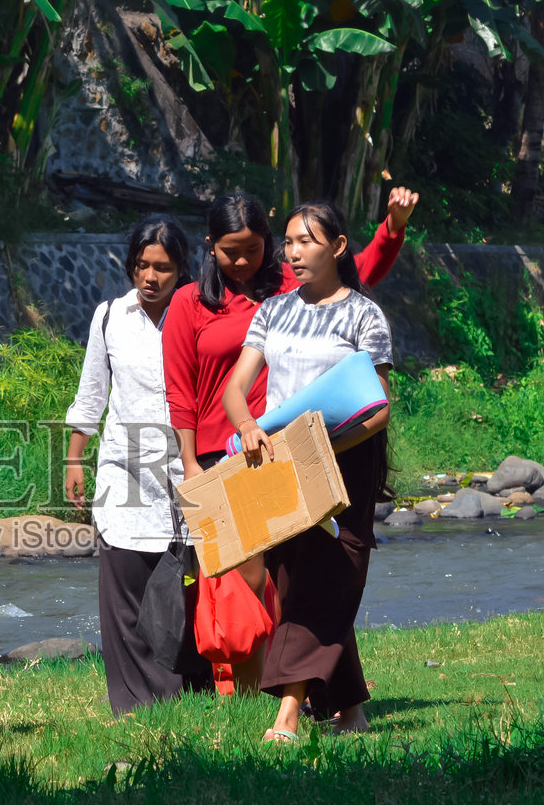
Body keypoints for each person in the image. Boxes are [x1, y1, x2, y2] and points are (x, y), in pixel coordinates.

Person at [160, 187, 414, 689]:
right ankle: (285, 690)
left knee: (310, 576)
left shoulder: (288, 292)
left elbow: (355, 271)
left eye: (254, 248)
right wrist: (193, 458)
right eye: (230, 249)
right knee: (267, 577)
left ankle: (293, 697)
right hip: (232, 451)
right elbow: (180, 388)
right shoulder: (199, 302)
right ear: (209, 246)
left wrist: (392, 228)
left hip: (300, 450)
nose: (242, 259)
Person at [222, 201, 396, 740]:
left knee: (324, 580)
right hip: (274, 459)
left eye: (307, 242)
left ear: (339, 247)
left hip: (343, 460)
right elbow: (235, 387)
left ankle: (288, 714)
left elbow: (380, 406)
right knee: (294, 581)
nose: (293, 253)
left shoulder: (365, 315)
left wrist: (325, 445)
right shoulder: (273, 311)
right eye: (290, 243)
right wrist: (248, 425)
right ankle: (350, 710)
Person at [63, 215, 210, 716]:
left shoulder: (197, 316)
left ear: (182, 271)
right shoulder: (110, 317)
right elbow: (92, 393)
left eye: (163, 268)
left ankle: (192, 690)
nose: (150, 277)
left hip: (188, 470)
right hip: (123, 472)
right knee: (125, 591)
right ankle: (131, 702)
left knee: (186, 585)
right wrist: (75, 457)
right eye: (142, 266)